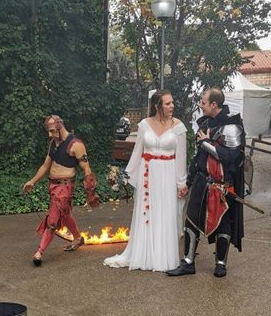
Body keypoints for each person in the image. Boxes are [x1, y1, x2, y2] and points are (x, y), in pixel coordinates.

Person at [104, 90, 187, 272]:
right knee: (148, 214)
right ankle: (145, 254)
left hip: (168, 174)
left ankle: (163, 257)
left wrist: (181, 183)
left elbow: (181, 157)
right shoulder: (144, 125)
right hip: (148, 175)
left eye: (172, 103)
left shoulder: (179, 126)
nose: (172, 106)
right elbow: (137, 152)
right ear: (157, 106)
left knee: (166, 213)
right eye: (167, 103)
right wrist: (125, 176)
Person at [167, 87, 244, 278]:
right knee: (191, 220)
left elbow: (230, 158)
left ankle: (220, 264)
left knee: (223, 223)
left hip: (221, 185)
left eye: (203, 102)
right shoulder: (205, 125)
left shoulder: (232, 127)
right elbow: (198, 159)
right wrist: (188, 182)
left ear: (214, 104)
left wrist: (206, 143)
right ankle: (187, 262)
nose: (201, 105)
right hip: (202, 182)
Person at [23, 115, 99, 266]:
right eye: (48, 131)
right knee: (65, 214)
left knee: (53, 220)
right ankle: (78, 238)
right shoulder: (53, 143)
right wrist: (32, 181)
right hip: (53, 186)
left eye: (52, 131)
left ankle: (39, 252)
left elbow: (86, 168)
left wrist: (90, 192)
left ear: (60, 126)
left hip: (65, 187)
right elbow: (46, 166)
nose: (50, 134)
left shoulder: (75, 144)